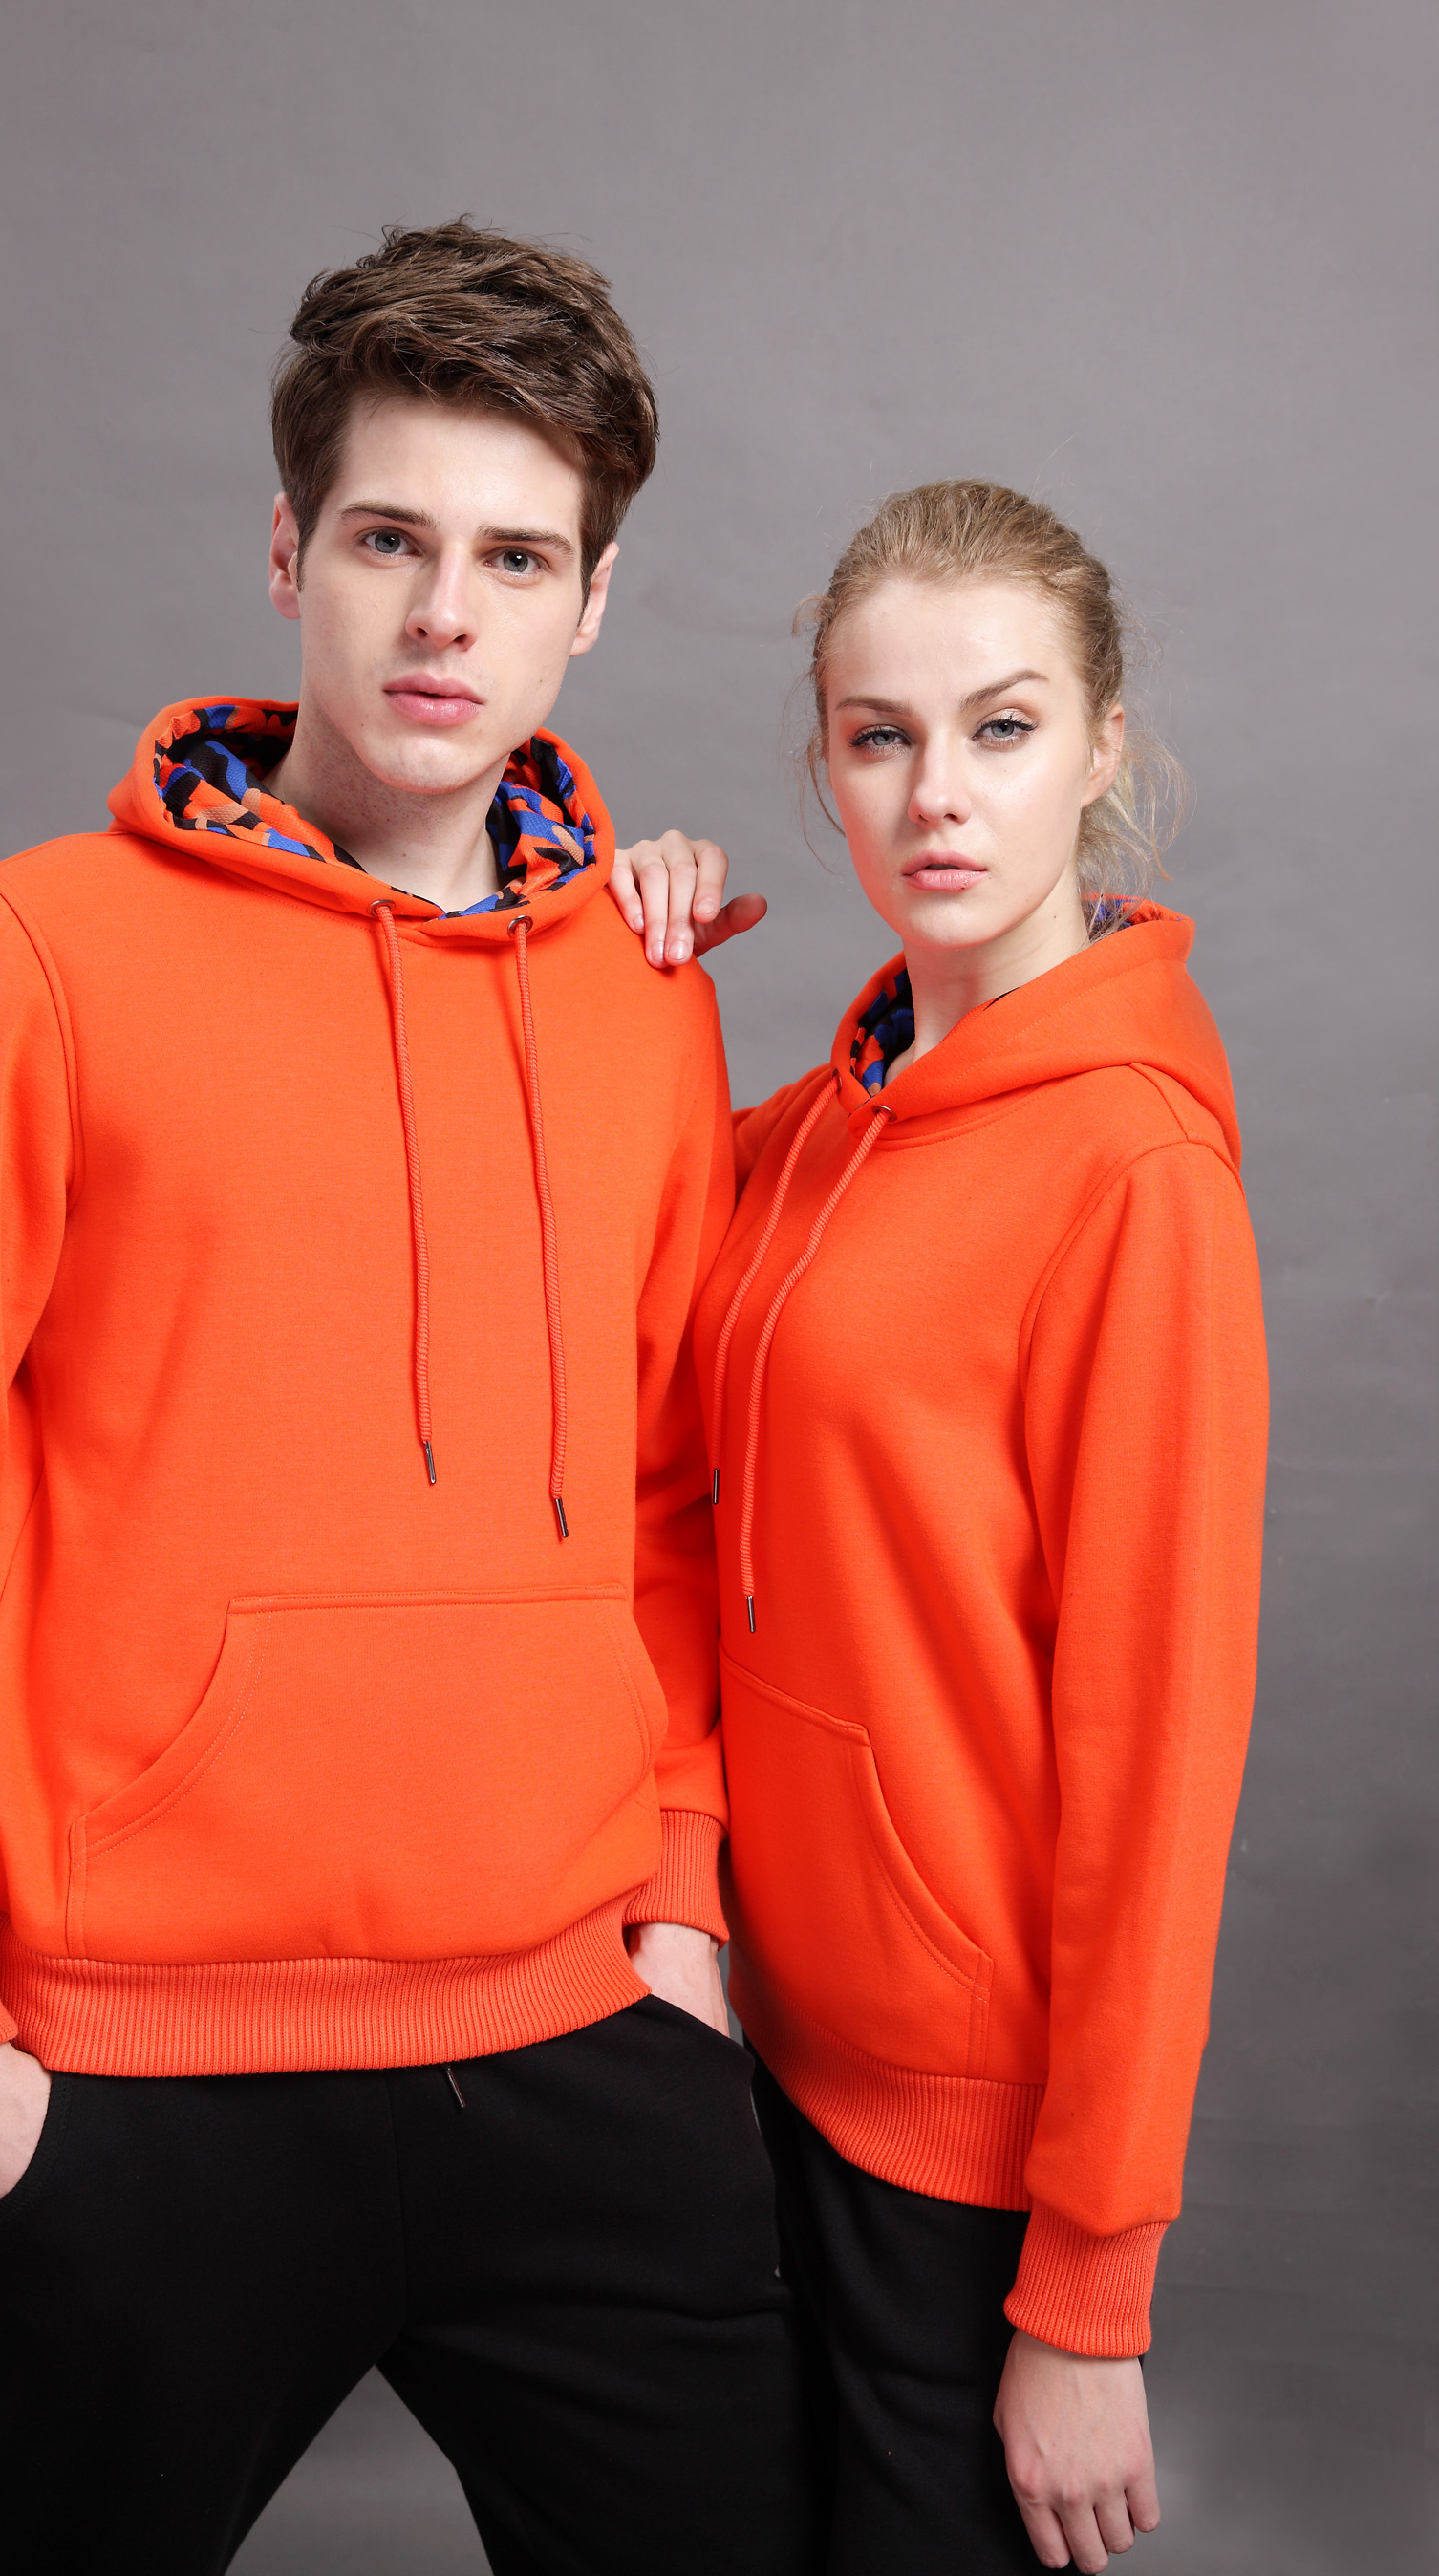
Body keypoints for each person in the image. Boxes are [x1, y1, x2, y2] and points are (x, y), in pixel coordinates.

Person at [0, 221, 818, 2576]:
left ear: (592, 603)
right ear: (284, 553)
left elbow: (668, 1493)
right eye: (386, 541)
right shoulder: (32, 956)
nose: (444, 616)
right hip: (142, 2074)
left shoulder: (644, 989)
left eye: (514, 559)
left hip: (576, 2034)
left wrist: (675, 1910)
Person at [609, 482, 1268, 2573]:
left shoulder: (1134, 1180)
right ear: (823, 762)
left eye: (998, 727)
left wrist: (1087, 2289)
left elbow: (1156, 1766)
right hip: (752, 2044)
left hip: (960, 2140)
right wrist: (607, 955)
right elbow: (609, 1309)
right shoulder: (814, 1131)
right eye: (876, 735)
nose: (935, 795)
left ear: (1099, 746)